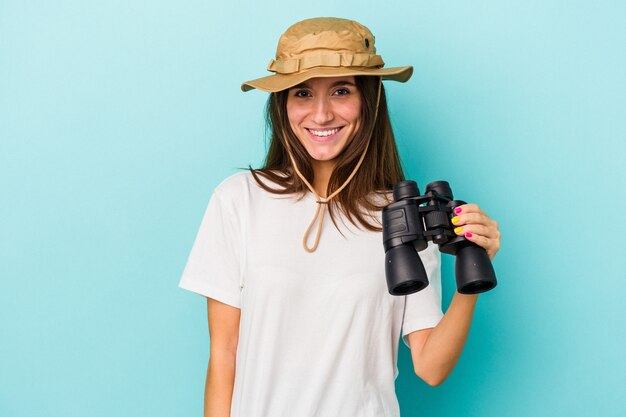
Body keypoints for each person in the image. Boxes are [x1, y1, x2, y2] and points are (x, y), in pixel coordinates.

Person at [179, 17, 501, 417]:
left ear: (370, 99)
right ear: (282, 105)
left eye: (341, 91)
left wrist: (471, 279)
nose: (321, 114)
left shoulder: (400, 218)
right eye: (302, 93)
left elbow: (430, 367)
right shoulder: (238, 200)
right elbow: (224, 354)